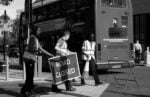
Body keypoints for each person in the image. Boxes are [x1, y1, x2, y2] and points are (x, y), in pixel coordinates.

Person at [20, 25, 54, 97]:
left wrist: (49, 54)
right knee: (29, 77)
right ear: (35, 31)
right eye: (38, 30)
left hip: (31, 59)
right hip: (29, 59)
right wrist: (36, 50)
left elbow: (41, 48)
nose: (39, 32)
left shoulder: (35, 38)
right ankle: (25, 91)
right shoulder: (32, 38)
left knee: (31, 76)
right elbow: (30, 48)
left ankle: (27, 91)